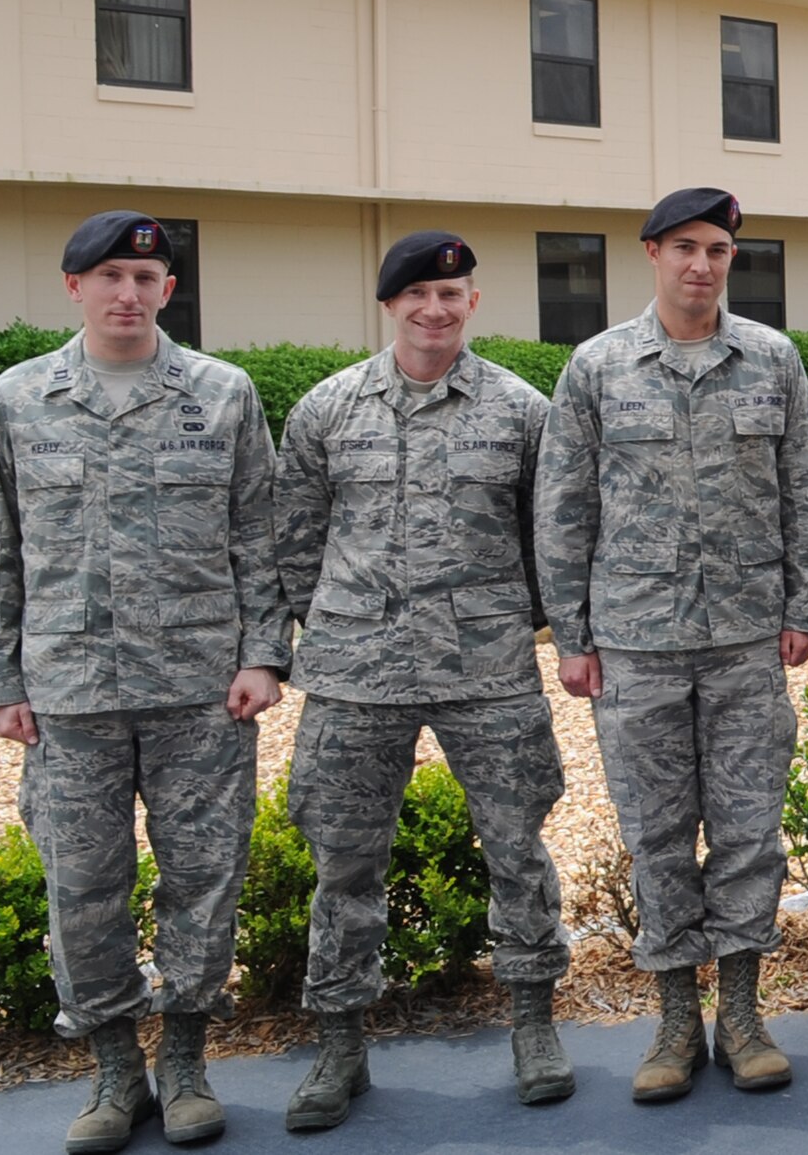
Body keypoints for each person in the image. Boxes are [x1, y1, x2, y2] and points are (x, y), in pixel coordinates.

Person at [0, 211, 291, 1152]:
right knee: (83, 888)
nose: (129, 292)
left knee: (204, 879)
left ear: (168, 290)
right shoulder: (16, 399)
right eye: (110, 275)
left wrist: (262, 655)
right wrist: (0, 675)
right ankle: (116, 1073)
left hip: (201, 690)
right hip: (69, 692)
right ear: (73, 286)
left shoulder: (223, 393)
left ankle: (189, 1062)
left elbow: (258, 534)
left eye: (147, 278)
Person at [535, 186, 808, 1101]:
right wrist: (573, 634)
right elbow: (564, 503)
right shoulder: (599, 366)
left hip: (746, 640)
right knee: (658, 835)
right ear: (653, 254)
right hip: (636, 645)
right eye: (684, 248)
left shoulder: (772, 361)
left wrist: (806, 606)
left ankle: (741, 1016)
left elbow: (807, 491)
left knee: (748, 831)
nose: (701, 265)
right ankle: (673, 1021)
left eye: (717, 250)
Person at [273, 232, 574, 1129]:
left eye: (451, 295)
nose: (434, 311)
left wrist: (503, 621)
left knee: (518, 848)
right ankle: (339, 1046)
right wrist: (339, 623)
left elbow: (547, 540)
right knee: (343, 861)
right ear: (389, 304)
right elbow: (295, 541)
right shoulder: (327, 410)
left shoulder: (521, 411)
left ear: (473, 304)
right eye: (417, 295)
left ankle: (533, 1026)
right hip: (355, 675)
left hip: (485, 670)